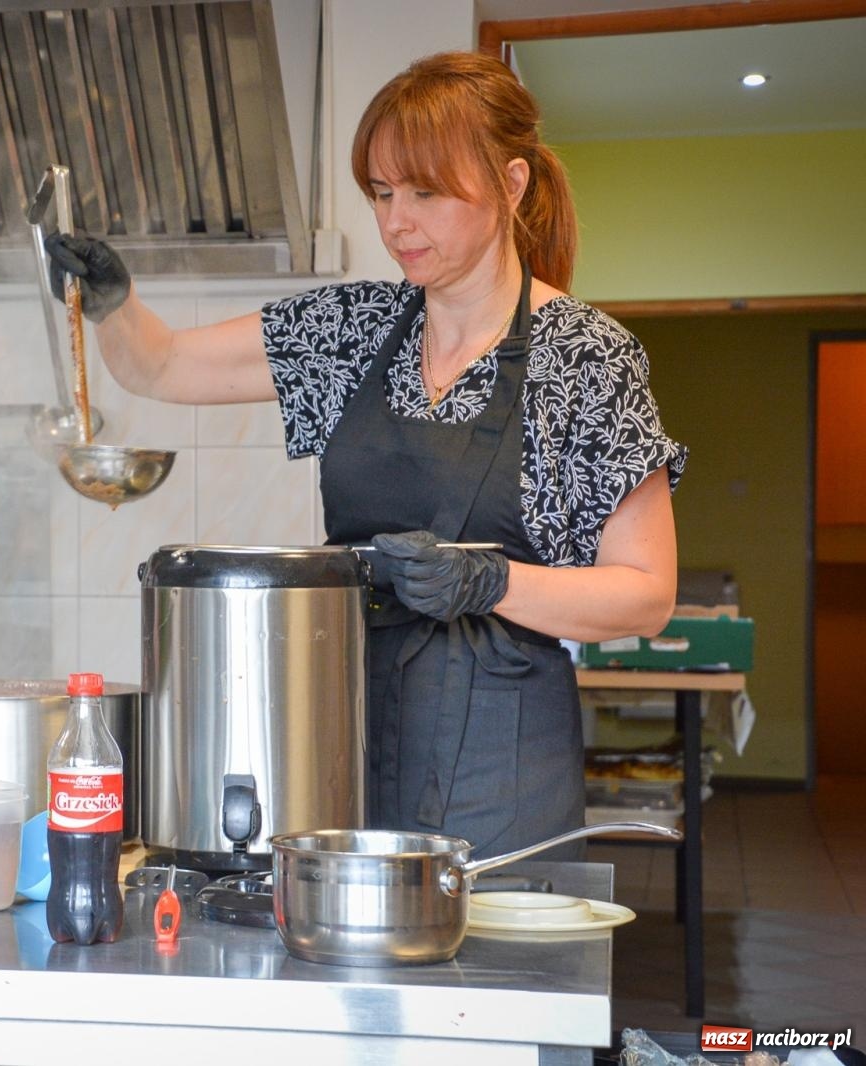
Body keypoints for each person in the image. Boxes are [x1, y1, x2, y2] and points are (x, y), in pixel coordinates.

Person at [46, 51, 685, 857]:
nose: (394, 223)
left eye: (424, 192)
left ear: (512, 184)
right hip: (331, 730)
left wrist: (492, 581)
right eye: (381, 194)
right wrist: (112, 303)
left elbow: (644, 595)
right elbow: (162, 364)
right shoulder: (354, 330)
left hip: (497, 764)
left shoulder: (587, 357)